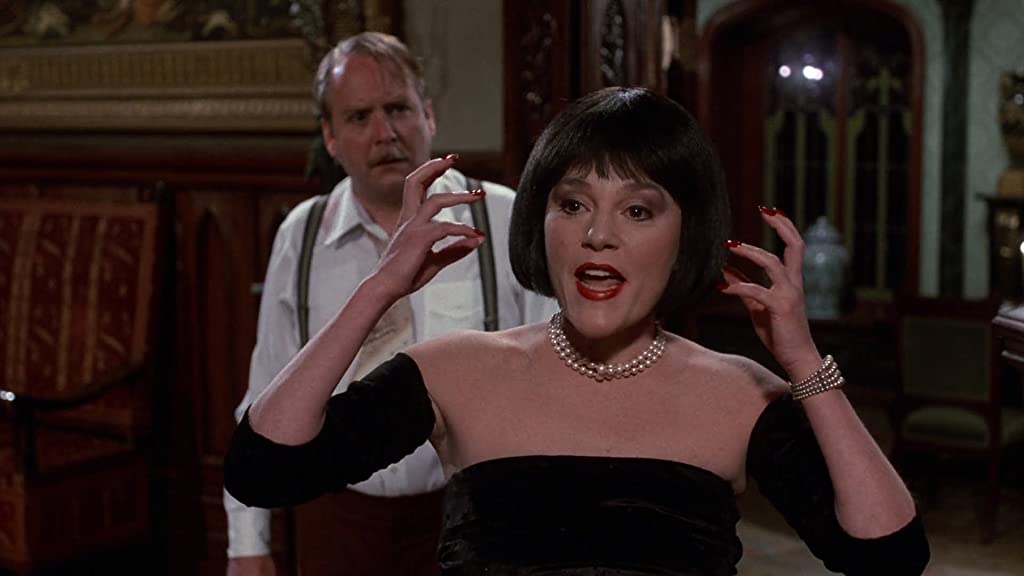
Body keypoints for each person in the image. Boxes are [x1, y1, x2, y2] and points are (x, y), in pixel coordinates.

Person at [225, 87, 931, 575]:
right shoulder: (453, 372)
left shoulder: (742, 395)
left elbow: (889, 555)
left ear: (686, 236)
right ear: (541, 221)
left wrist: (803, 360)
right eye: (573, 204)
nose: (598, 234)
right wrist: (379, 288)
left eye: (638, 210)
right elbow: (263, 468)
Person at [223, 32, 554, 576]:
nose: (385, 133)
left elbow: (550, 386)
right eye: (359, 117)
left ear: (428, 114)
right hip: (335, 516)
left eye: (398, 108)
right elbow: (266, 390)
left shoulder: (501, 218)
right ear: (330, 138)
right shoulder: (301, 235)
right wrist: (247, 544)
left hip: (471, 515)